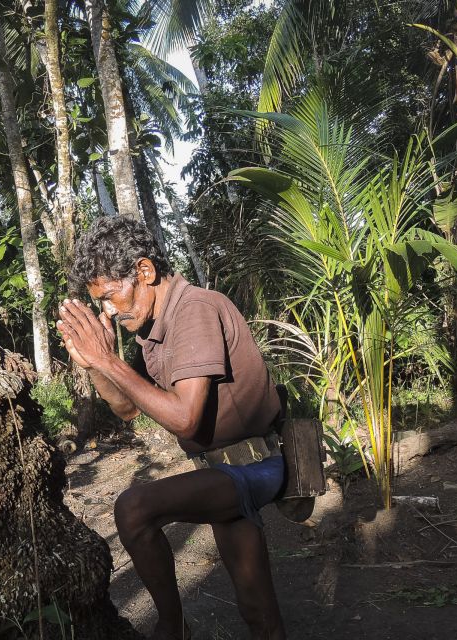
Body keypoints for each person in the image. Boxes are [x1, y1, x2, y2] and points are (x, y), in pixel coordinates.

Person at [55, 217, 286, 640]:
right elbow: (127, 408)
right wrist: (94, 364)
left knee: (133, 509)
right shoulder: (154, 330)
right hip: (221, 471)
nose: (109, 309)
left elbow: (184, 418)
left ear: (144, 272)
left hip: (254, 466)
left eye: (109, 296)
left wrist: (109, 360)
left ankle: (172, 625)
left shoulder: (193, 310)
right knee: (258, 610)